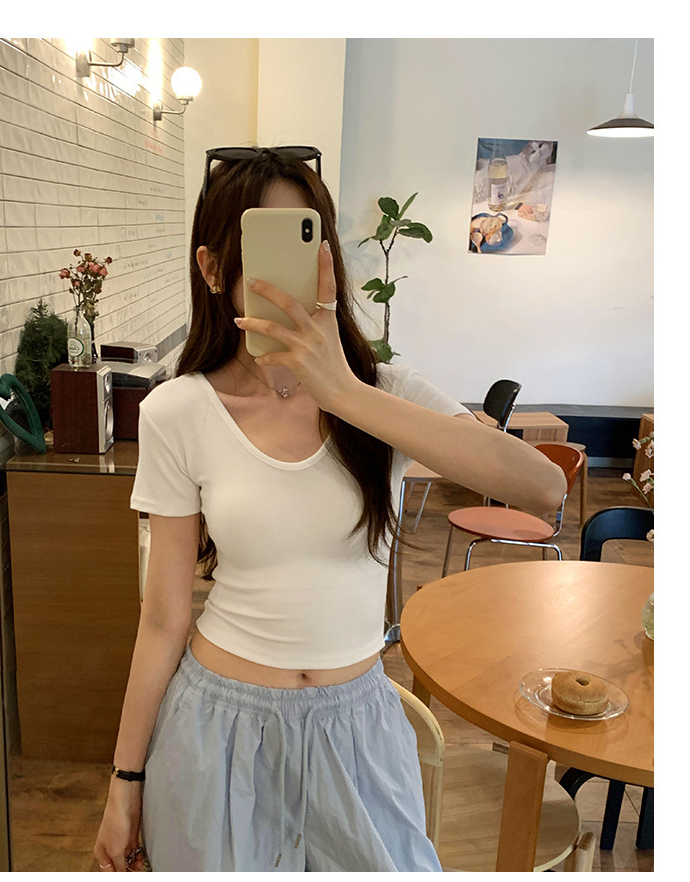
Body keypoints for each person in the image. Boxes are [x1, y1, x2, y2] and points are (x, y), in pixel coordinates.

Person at [93, 146, 566, 873]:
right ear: (213, 268)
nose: (293, 273)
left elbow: (543, 488)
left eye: (308, 240)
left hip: (358, 730)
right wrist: (125, 781)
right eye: (264, 246)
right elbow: (162, 619)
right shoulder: (177, 411)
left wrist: (342, 392)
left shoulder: (387, 396)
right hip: (215, 730)